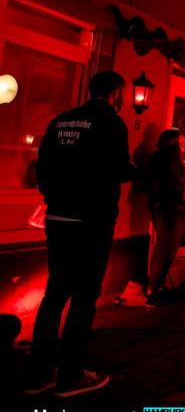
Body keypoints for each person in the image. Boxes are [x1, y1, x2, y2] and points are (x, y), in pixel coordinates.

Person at [25, 71, 135, 397]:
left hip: (58, 216)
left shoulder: (61, 121)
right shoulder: (111, 123)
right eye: (123, 94)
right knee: (85, 295)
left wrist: (54, 197)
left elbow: (41, 166)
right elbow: (118, 168)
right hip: (92, 219)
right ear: (117, 93)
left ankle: (39, 372)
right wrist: (129, 171)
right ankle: (70, 374)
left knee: (55, 293)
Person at [145, 129, 185, 301]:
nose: (184, 147)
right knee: (165, 248)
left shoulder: (171, 162)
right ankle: (154, 288)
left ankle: (157, 286)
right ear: (172, 145)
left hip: (174, 209)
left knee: (169, 248)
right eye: (181, 143)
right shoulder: (164, 162)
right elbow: (168, 188)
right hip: (168, 210)